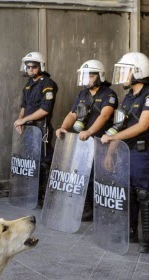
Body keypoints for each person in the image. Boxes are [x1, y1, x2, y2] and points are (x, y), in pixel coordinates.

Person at [101, 52, 149, 253]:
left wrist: (113, 139)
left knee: (144, 195)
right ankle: (131, 232)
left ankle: (148, 239)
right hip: (125, 153)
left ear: (138, 72)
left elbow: (143, 125)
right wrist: (110, 153)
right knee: (127, 193)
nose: (123, 76)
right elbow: (117, 127)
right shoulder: (127, 98)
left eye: (126, 71)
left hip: (143, 153)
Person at [55, 59, 118, 220]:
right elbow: (73, 114)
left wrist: (89, 131)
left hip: (101, 142)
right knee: (83, 175)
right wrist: (63, 127)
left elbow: (105, 115)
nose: (86, 79)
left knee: (101, 177)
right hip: (84, 143)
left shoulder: (109, 95)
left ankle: (103, 210)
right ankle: (87, 209)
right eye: (85, 76)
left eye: (90, 76)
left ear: (99, 76)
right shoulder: (82, 94)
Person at [14, 52, 58, 206]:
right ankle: (34, 194)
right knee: (31, 162)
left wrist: (24, 120)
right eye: (28, 66)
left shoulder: (48, 84)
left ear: (41, 67)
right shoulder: (28, 84)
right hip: (29, 128)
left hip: (41, 129)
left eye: (34, 66)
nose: (30, 69)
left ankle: (47, 197)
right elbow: (24, 106)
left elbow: (45, 110)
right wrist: (21, 121)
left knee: (44, 162)